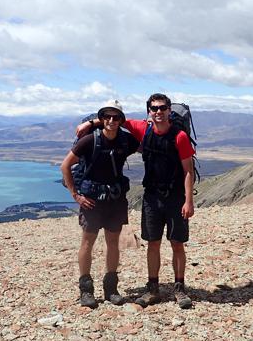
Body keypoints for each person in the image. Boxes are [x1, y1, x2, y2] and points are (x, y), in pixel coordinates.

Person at [77, 93, 195, 309]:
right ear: (148, 111)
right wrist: (91, 122)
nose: (158, 112)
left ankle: (179, 288)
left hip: (175, 196)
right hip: (151, 196)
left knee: (177, 243)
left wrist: (189, 201)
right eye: (154, 108)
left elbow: (189, 170)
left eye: (162, 108)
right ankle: (153, 289)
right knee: (153, 243)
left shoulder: (180, 137)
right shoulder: (142, 128)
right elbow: (115, 120)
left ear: (169, 110)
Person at [61, 100, 140, 308]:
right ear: (102, 118)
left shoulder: (126, 141)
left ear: (121, 120)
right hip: (92, 201)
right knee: (88, 242)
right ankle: (86, 290)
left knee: (113, 243)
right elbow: (65, 166)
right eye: (107, 116)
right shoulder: (89, 140)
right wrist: (76, 195)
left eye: (116, 117)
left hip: (115, 200)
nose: (111, 121)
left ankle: (111, 289)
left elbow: (146, 139)